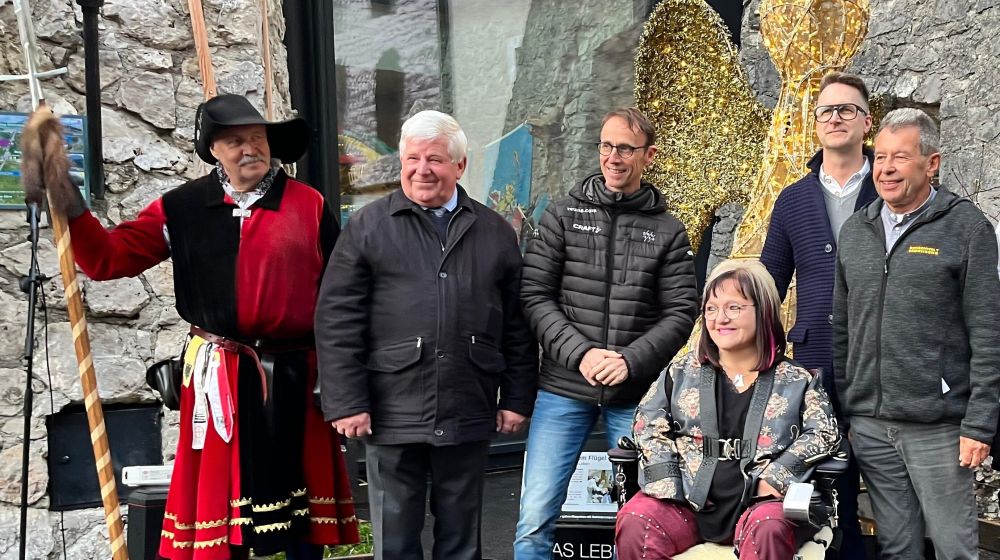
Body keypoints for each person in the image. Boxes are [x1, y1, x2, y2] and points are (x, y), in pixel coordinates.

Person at [53, 94, 359, 559]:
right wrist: (70, 203)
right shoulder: (182, 207)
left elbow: (343, 293)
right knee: (224, 512)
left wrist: (344, 377)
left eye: (257, 139)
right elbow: (107, 259)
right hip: (222, 373)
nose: (249, 149)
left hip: (301, 371)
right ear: (213, 149)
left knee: (301, 513)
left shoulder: (308, 205)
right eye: (235, 141)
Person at [315, 110, 538, 560]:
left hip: (467, 402)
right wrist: (347, 401)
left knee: (461, 540)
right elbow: (336, 318)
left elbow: (517, 323)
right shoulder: (368, 226)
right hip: (390, 406)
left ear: (460, 166)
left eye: (434, 159)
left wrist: (516, 398)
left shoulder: (495, 232)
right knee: (395, 540)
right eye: (412, 158)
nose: (422, 169)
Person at [515, 107, 699, 558]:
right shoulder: (562, 215)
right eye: (606, 145)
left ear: (648, 156)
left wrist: (629, 361)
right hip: (562, 389)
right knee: (535, 516)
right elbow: (535, 295)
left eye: (625, 148)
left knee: (643, 519)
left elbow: (680, 312)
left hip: (636, 396)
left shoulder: (669, 231)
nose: (613, 157)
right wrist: (581, 355)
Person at [833, 107, 1000, 559]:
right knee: (897, 548)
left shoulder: (967, 229)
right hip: (871, 425)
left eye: (900, 157)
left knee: (954, 549)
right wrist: (850, 409)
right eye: (881, 156)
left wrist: (979, 425)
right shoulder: (856, 229)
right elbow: (844, 329)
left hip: (939, 428)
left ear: (932, 163)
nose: (885, 168)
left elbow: (989, 334)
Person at [616, 259, 841, 560]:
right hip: (687, 502)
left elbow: (825, 431)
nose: (720, 318)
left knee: (768, 527)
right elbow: (648, 424)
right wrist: (669, 483)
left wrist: (778, 475)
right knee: (637, 520)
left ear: (763, 312)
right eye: (711, 308)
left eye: (734, 307)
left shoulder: (798, 380)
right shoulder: (680, 373)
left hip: (760, 506)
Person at [759, 71, 876, 558]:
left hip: (880, 363)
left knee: (895, 491)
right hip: (815, 366)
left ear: (867, 122)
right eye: (826, 110)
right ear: (815, 124)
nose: (835, 117)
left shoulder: (892, 190)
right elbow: (768, 284)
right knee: (831, 492)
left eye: (846, 109)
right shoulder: (792, 199)